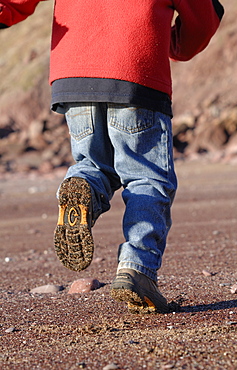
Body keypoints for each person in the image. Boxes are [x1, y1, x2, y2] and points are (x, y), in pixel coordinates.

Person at [0, 0, 224, 313]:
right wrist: (176, 44)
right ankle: (137, 268)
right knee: (146, 176)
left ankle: (83, 185)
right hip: (137, 70)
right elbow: (202, 16)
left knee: (94, 164)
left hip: (73, 73)